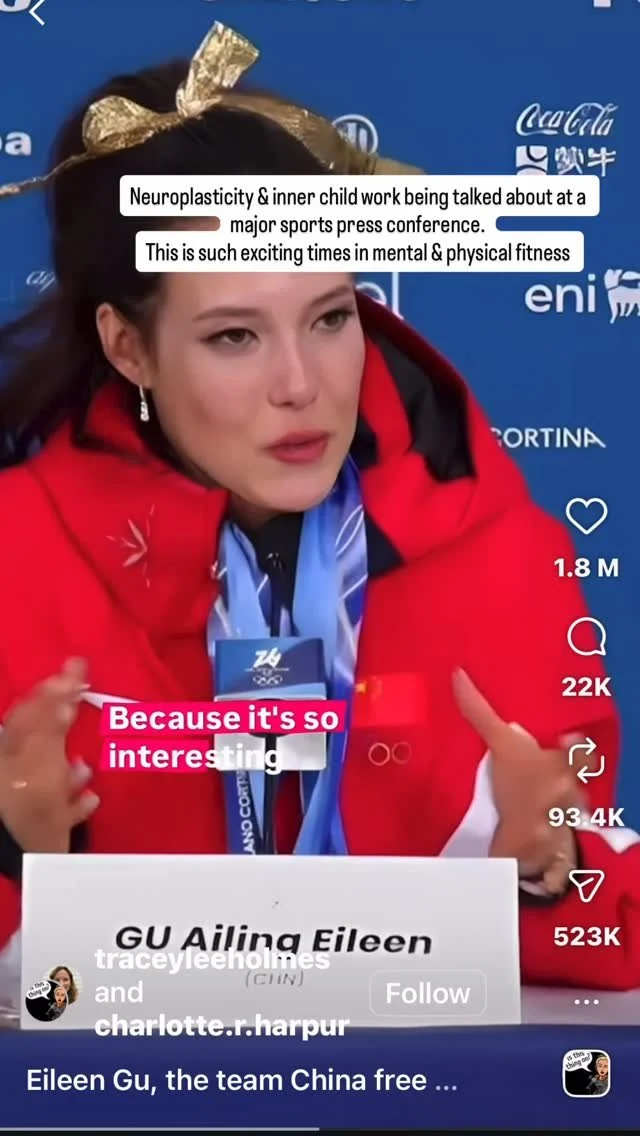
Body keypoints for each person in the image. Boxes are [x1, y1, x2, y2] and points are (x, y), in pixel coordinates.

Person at [0, 21, 638, 993]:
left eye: (330, 317)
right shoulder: (17, 555)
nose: (302, 385)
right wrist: (13, 857)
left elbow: (613, 931)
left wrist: (549, 865)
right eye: (234, 336)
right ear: (129, 347)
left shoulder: (503, 554)